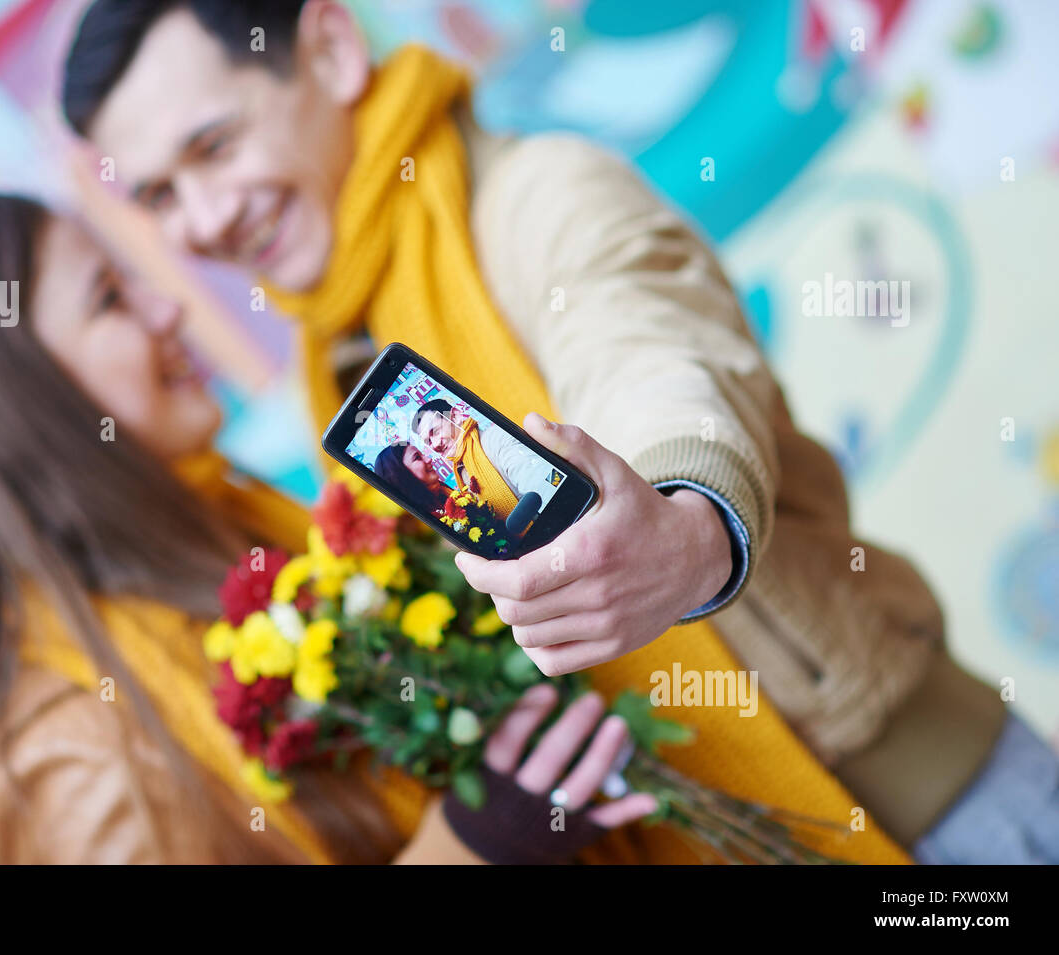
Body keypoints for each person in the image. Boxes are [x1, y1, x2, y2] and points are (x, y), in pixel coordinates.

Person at [56, 0, 1059, 863]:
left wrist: (681, 522)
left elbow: (651, 354)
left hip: (940, 812)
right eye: (157, 195)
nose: (203, 219)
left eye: (214, 148)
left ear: (328, 49)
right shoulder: (337, 360)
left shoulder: (538, 197)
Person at [0, 195, 663, 864]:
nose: (169, 307)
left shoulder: (234, 524)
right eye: (110, 299)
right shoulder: (72, 769)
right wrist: (476, 843)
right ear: (14, 409)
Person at [412, 398, 561, 519]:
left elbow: (546, 490)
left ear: (456, 416)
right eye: (428, 442)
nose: (436, 444)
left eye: (436, 431)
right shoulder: (460, 469)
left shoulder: (496, 440)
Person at [372, 441, 448, 517]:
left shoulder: (444, 494)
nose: (429, 459)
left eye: (422, 454)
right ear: (401, 476)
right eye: (417, 457)